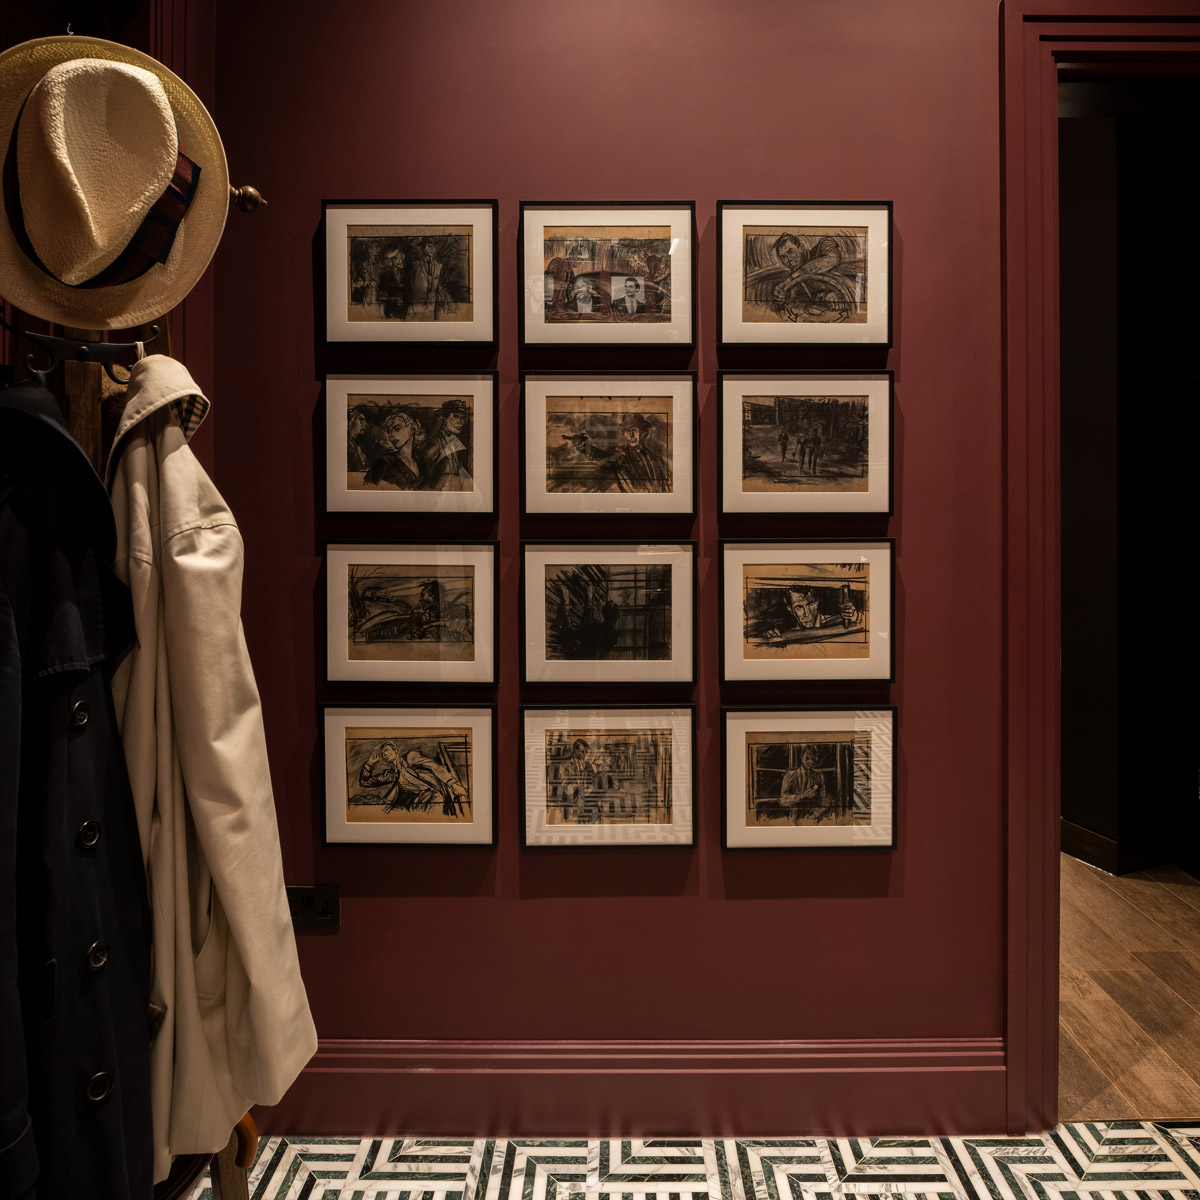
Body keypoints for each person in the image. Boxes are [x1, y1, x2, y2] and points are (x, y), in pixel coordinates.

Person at [359, 741, 469, 817]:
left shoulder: (410, 757)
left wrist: (453, 784)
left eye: (387, 750)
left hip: (432, 795)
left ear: (395, 750)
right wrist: (369, 764)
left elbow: (435, 766)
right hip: (415, 802)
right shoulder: (391, 774)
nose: (385, 754)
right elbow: (364, 782)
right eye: (383, 754)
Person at [770, 232, 860, 322]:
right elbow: (809, 297)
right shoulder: (797, 283)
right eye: (784, 257)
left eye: (791, 251)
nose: (789, 259)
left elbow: (832, 259)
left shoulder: (824, 245)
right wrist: (824, 296)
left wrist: (786, 282)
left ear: (801, 248)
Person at [364, 409, 425, 489]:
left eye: (397, 429)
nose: (391, 435)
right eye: (389, 431)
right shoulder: (385, 461)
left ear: (411, 430)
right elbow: (366, 489)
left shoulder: (419, 460)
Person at [421, 398, 473, 490]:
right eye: (456, 416)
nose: (460, 422)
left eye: (462, 418)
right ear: (443, 417)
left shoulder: (453, 444)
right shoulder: (434, 444)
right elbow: (424, 481)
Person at [780, 745, 828, 809]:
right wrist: (801, 796)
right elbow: (783, 800)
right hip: (795, 812)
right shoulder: (790, 775)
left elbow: (824, 799)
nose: (810, 762)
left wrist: (816, 797)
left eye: (812, 759)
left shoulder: (819, 776)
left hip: (814, 812)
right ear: (801, 757)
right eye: (807, 758)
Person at [376, 245, 408, 320]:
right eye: (396, 258)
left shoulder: (405, 276)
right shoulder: (385, 276)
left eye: (401, 258)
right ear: (391, 260)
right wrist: (395, 298)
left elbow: (408, 294)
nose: (399, 261)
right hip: (390, 312)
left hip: (403, 312)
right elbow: (380, 298)